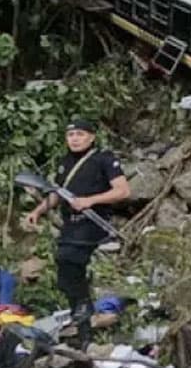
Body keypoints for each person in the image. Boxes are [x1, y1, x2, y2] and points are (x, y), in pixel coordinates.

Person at [24, 118, 130, 347]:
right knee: (63, 274)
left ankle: (85, 317)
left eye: (80, 134)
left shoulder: (104, 158)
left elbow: (123, 191)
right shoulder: (65, 162)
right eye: (71, 135)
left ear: (91, 137)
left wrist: (89, 200)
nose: (74, 139)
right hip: (71, 225)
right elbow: (58, 194)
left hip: (95, 223)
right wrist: (38, 211)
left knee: (68, 259)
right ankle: (83, 318)